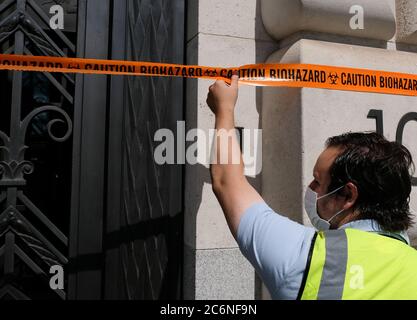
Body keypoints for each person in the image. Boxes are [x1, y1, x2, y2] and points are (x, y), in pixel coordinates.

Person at [206, 75, 417, 300]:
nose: (311, 187)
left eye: (318, 181)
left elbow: (228, 182)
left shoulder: (306, 256)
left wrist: (224, 108)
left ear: (347, 194)